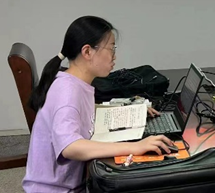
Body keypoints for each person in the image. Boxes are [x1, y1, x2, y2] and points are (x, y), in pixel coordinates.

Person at [23, 15, 173, 193]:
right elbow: (70, 146)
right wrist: (136, 147)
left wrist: (129, 111)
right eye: (111, 48)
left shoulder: (71, 81)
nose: (114, 56)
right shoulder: (67, 93)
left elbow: (83, 113)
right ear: (87, 52)